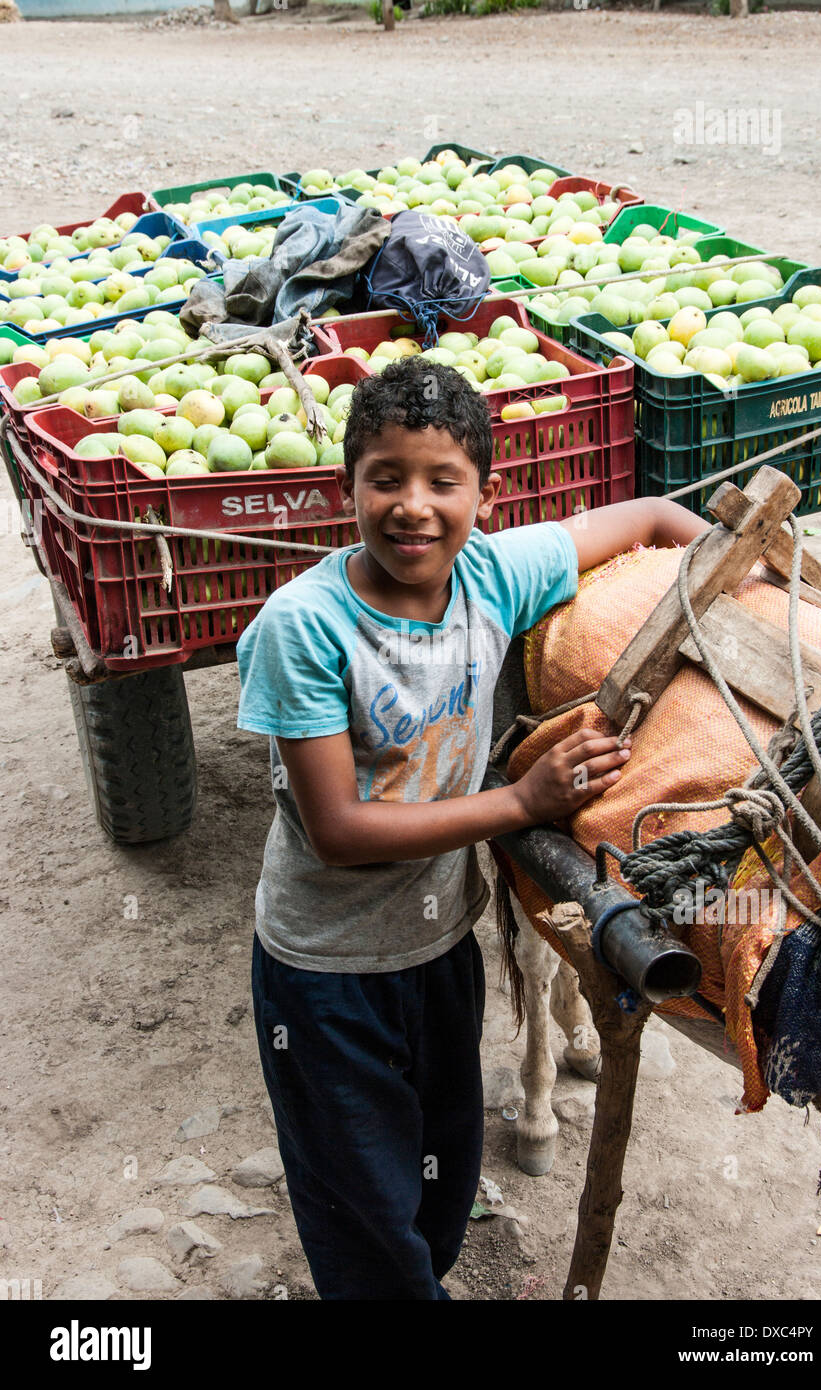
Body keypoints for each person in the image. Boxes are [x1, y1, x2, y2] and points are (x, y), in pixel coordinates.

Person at [236, 356, 707, 1300]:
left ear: (483, 497)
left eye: (442, 481)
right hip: (327, 971)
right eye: (386, 479)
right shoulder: (307, 628)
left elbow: (656, 519)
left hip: (439, 944)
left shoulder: (492, 576)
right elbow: (337, 829)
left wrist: (752, 576)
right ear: (348, 491)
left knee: (439, 1171)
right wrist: (524, 806)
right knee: (362, 1205)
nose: (413, 505)